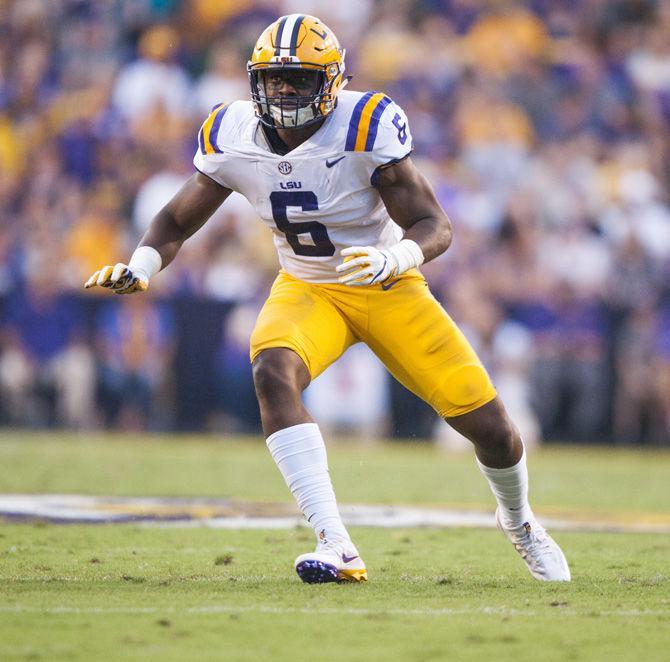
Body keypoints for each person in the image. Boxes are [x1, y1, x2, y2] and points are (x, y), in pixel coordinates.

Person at [85, 14, 570, 584]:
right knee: (271, 370)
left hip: (385, 283)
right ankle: (333, 541)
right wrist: (142, 265)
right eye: (274, 78)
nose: (284, 91)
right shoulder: (232, 133)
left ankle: (519, 522)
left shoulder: (364, 125)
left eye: (299, 79)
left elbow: (433, 223)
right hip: (307, 285)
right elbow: (173, 218)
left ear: (332, 83)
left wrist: (397, 257)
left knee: (492, 428)